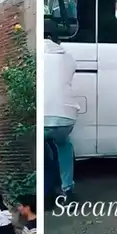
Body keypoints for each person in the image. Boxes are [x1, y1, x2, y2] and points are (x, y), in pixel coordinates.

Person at [43, 21, 80, 201]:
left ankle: (45, 194)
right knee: (64, 146)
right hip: (65, 117)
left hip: (42, 117)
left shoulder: (36, 52)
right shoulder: (68, 56)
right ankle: (67, 189)